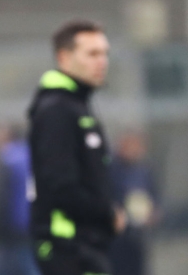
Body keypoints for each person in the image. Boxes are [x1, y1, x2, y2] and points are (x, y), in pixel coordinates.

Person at [27, 20, 126, 275]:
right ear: (64, 56)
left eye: (104, 53)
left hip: (85, 247)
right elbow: (60, 185)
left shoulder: (77, 105)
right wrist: (107, 213)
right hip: (68, 249)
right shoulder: (57, 110)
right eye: (92, 53)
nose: (102, 61)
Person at [0, 124, 40, 275]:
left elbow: (1, 198)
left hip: (10, 231)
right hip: (32, 228)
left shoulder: (7, 159)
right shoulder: (31, 156)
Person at [109, 132, 160, 275]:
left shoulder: (144, 170)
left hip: (138, 233)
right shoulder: (111, 169)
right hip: (117, 234)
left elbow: (154, 196)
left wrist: (154, 213)